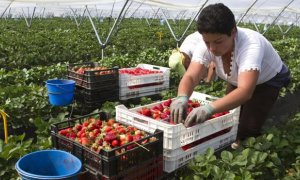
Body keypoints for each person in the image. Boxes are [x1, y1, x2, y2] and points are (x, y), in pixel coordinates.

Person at [170, 3, 291, 148]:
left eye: (218, 41)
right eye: (207, 42)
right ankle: (228, 139)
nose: (212, 48)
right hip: (237, 78)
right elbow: (191, 76)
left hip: (268, 79)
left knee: (248, 126)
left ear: (233, 32)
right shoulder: (206, 45)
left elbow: (245, 91)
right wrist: (182, 97)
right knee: (229, 114)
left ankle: (246, 143)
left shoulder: (251, 45)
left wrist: (208, 108)